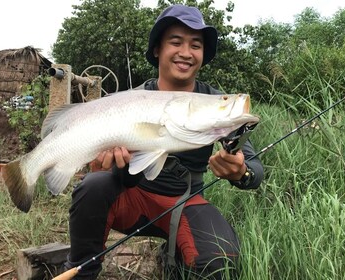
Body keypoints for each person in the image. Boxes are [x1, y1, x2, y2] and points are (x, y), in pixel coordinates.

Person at [62, 4, 264, 279]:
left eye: (196, 45)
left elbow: (255, 171)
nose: (186, 52)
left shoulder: (214, 105)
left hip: (185, 203)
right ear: (157, 49)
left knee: (220, 258)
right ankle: (81, 272)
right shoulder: (133, 100)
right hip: (132, 199)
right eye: (176, 42)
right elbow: (114, 173)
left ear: (203, 55)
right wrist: (109, 165)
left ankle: (176, 261)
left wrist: (242, 172)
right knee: (94, 185)